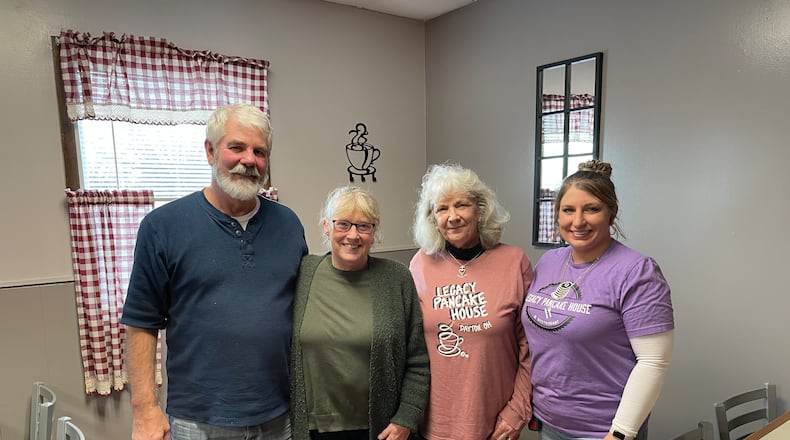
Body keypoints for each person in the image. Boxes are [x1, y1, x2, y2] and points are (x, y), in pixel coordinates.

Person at [121, 103, 308, 440]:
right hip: (199, 420)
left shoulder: (289, 224)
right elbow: (141, 324)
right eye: (236, 147)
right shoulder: (163, 226)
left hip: (280, 416)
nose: (249, 160)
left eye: (259, 152)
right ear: (210, 150)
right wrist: (145, 409)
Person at [522, 160, 674, 440]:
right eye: (568, 210)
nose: (577, 221)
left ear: (611, 213)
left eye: (591, 209)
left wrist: (621, 433)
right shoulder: (548, 262)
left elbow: (653, 361)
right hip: (549, 422)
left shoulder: (637, 271)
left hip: (603, 430)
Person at [290, 185, 430, 440]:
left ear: (374, 232)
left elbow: (418, 361)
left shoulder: (396, 278)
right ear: (326, 226)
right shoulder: (303, 273)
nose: (353, 235)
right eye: (343, 224)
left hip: (380, 429)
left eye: (364, 226)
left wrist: (406, 419)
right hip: (312, 429)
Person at [409, 163, 533, 440]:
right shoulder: (420, 264)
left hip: (497, 423)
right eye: (442, 209)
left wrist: (518, 411)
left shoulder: (514, 262)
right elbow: (411, 349)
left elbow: (532, 348)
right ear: (432, 218)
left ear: (480, 209)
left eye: (461, 205)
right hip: (433, 423)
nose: (452, 217)